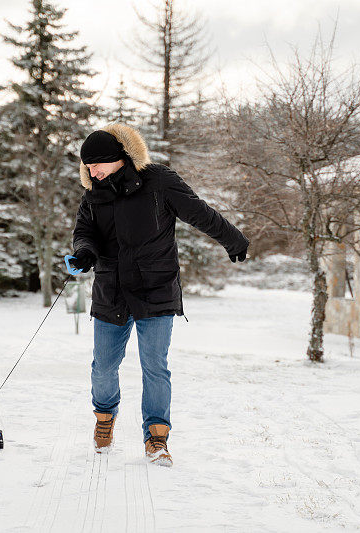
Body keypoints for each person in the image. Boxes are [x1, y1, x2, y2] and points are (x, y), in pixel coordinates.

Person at [70, 124, 249, 466]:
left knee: (155, 367)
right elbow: (84, 231)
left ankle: (156, 438)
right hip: (111, 289)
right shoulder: (93, 194)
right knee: (103, 367)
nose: (93, 172)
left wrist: (233, 239)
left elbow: (200, 213)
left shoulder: (159, 182)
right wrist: (85, 251)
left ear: (121, 158)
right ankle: (104, 420)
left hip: (156, 288)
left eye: (99, 164)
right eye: (88, 166)